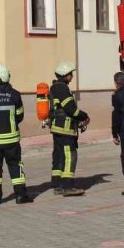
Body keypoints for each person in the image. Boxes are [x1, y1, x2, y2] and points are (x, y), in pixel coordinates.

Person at [0, 64, 33, 205]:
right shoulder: (15, 95)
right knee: (15, 166)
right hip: (11, 140)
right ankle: (20, 196)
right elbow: (19, 116)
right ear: (8, 76)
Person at [49, 62, 89, 197]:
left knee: (59, 156)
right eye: (70, 74)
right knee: (70, 156)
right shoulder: (62, 88)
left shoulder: (55, 87)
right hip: (65, 129)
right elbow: (71, 109)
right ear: (65, 75)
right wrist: (84, 116)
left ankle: (58, 185)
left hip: (57, 128)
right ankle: (67, 186)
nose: (72, 76)